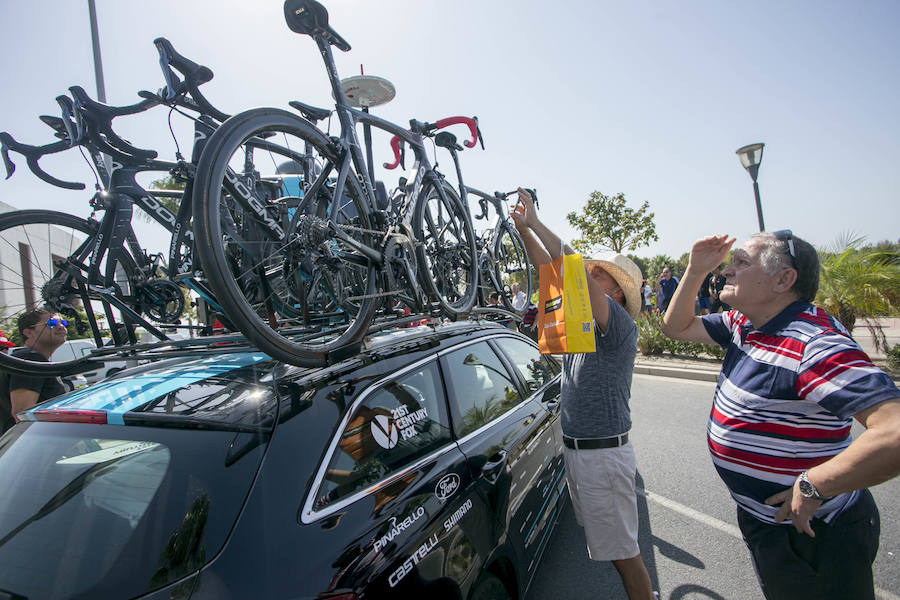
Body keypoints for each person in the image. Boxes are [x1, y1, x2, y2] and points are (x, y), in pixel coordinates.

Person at [660, 231, 900, 600]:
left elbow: (894, 431)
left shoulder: (812, 343)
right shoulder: (744, 324)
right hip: (770, 525)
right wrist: (694, 271)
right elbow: (676, 327)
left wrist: (814, 483)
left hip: (814, 534)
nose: (726, 272)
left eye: (741, 262)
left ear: (784, 280)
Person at [510, 188, 655, 600]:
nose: (590, 274)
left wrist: (537, 221)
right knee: (614, 551)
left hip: (601, 456)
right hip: (582, 452)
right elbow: (551, 271)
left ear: (617, 293)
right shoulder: (582, 325)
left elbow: (569, 267)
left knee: (625, 555)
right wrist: (524, 231)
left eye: (599, 274)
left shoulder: (620, 327)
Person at [0, 309, 68, 433]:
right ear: (28, 332)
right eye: (51, 323)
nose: (61, 326)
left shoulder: (23, 359)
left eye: (63, 322)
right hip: (35, 445)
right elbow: (22, 414)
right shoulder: (30, 358)